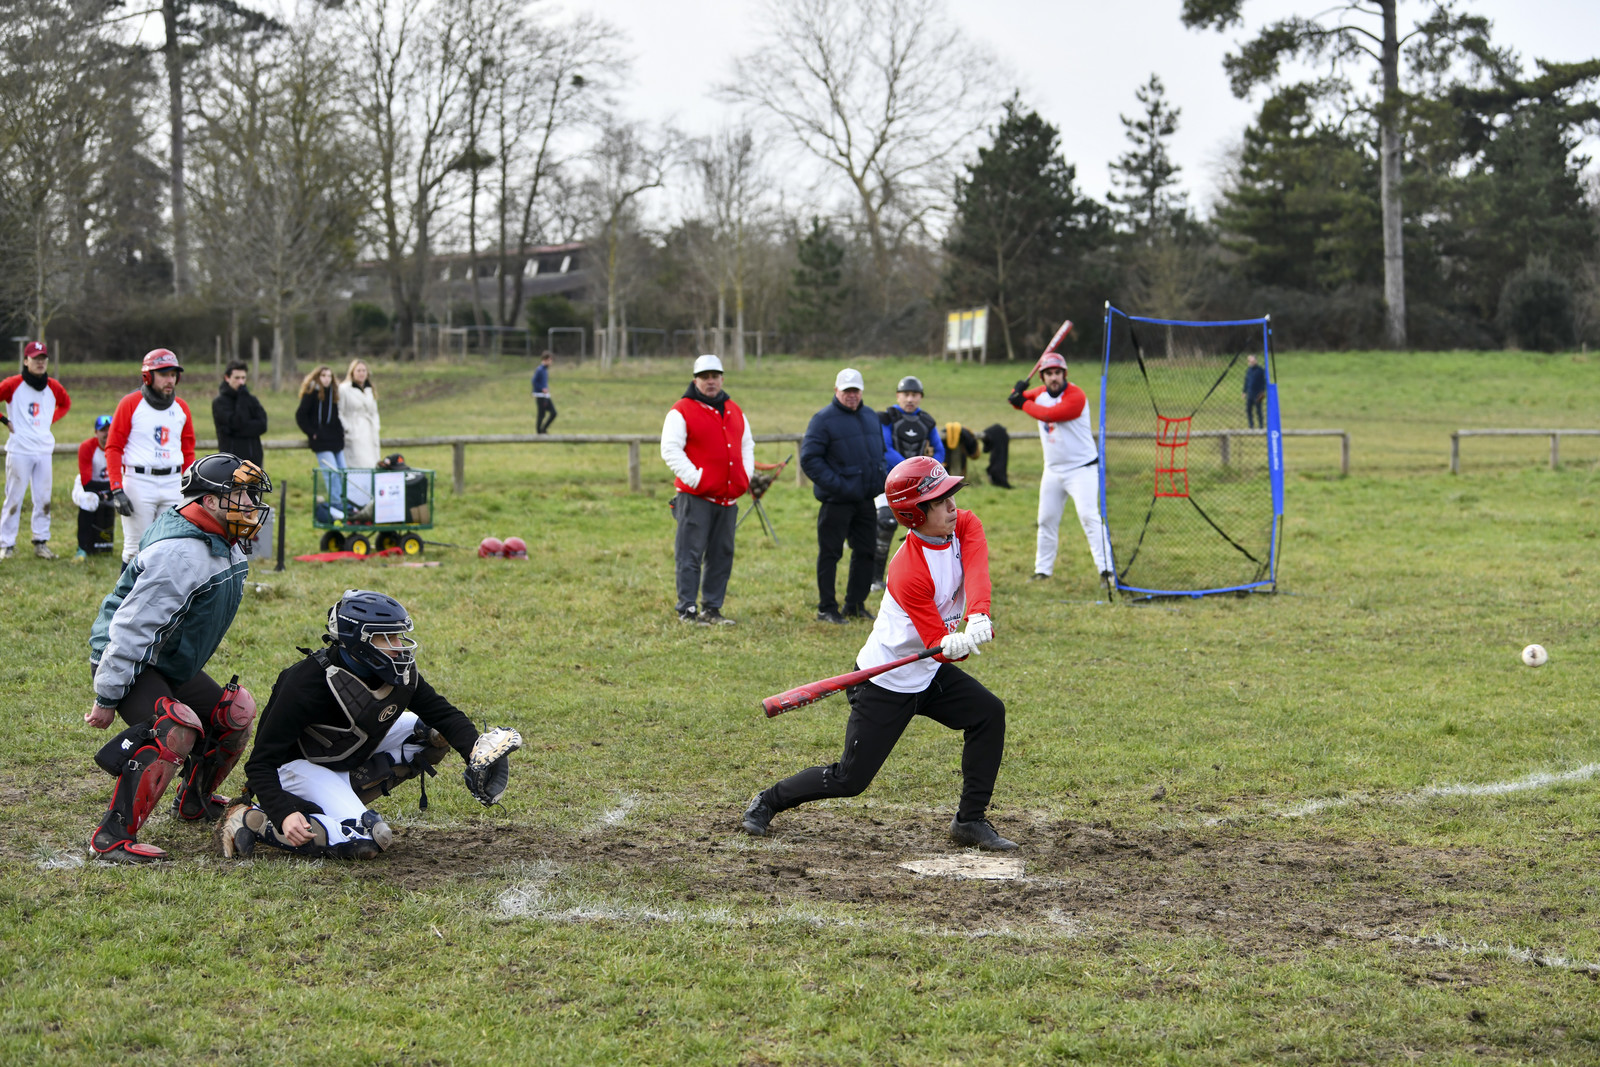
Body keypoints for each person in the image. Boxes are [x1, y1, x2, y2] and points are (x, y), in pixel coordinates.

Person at [741, 456, 1014, 851]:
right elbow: (939, 647)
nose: (952, 505)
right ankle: (769, 800)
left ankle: (969, 820)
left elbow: (976, 568)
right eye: (939, 500)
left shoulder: (965, 524)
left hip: (927, 673)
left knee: (989, 713)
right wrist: (953, 646)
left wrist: (979, 614)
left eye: (950, 495)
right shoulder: (908, 570)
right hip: (884, 682)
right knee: (848, 780)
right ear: (914, 514)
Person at [219, 590, 521, 861]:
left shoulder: (399, 673)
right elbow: (260, 764)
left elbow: (444, 715)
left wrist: (474, 752)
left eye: (399, 636)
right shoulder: (305, 684)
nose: (399, 647)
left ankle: (344, 795)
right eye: (386, 638)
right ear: (358, 642)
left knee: (429, 735)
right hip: (295, 769)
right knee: (369, 838)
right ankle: (253, 820)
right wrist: (283, 812)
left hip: (342, 757)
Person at [83, 453, 272, 863]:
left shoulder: (222, 537)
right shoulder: (179, 553)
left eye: (250, 494)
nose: (249, 504)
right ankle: (112, 837)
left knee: (235, 711)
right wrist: (107, 697)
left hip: (165, 661)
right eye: (238, 495)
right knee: (177, 728)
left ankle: (194, 800)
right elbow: (131, 631)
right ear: (208, 501)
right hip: (130, 661)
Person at [660, 354, 754, 625]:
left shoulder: (735, 410)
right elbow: (670, 449)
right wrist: (696, 479)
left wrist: (744, 477)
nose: (710, 381)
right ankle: (686, 608)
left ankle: (712, 608)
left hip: (727, 498)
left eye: (715, 376)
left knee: (721, 554)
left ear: (722, 378)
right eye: (705, 377)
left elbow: (746, 445)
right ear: (695, 380)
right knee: (690, 553)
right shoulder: (682, 410)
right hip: (695, 497)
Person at [1009, 352, 1111, 589]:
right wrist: (1018, 392)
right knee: (1046, 520)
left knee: (1089, 517)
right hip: (1053, 471)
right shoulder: (1040, 394)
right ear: (1042, 377)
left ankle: (1106, 569)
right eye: (1049, 374)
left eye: (1058, 373)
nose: (1054, 378)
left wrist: (1021, 400)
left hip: (1082, 469)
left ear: (1065, 374)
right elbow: (1016, 401)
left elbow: (1048, 414)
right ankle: (1042, 571)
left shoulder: (1076, 396)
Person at [801, 368, 887, 624]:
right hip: (836, 501)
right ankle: (826, 608)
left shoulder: (871, 417)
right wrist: (838, 485)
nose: (852, 395)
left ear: (861, 391)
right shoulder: (822, 420)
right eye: (847, 391)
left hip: (865, 500)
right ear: (836, 391)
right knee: (830, 553)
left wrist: (879, 479)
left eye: (856, 390)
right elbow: (810, 459)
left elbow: (879, 453)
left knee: (866, 551)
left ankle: (855, 604)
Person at [106, 349, 197, 565]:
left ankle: (164, 599)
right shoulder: (130, 403)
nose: (170, 380)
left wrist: (191, 487)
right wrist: (116, 488)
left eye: (173, 374)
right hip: (139, 482)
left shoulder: (181, 407)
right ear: (148, 376)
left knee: (170, 547)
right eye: (164, 374)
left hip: (173, 482)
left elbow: (188, 450)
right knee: (135, 550)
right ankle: (125, 599)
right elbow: (113, 447)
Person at [872, 375, 945, 591]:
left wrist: (931, 469)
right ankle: (875, 578)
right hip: (890, 483)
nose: (910, 399)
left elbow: (939, 450)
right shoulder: (888, 418)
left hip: (919, 487)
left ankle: (922, 580)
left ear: (921, 397)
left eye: (914, 395)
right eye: (905, 394)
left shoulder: (927, 421)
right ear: (898, 395)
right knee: (886, 524)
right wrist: (910, 469)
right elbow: (885, 448)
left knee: (928, 529)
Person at [0, 341, 71, 560]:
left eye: (43, 359)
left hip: (43, 450)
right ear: (25, 360)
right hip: (20, 449)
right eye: (35, 358)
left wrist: (49, 421)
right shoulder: (13, 384)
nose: (40, 363)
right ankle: (6, 543)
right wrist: (4, 420)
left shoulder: (53, 386)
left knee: (43, 497)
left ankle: (41, 541)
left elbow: (65, 403)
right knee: (14, 497)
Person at [213, 360, 272, 560]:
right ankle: (230, 548)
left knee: (253, 504)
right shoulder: (220, 402)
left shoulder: (250, 399)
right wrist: (242, 407)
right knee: (233, 507)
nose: (241, 382)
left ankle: (250, 548)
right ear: (227, 378)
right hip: (232, 465)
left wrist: (244, 425)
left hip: (254, 462)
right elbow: (236, 423)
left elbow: (262, 424)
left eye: (244, 378)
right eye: (237, 378)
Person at [295, 365, 346, 520]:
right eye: (323, 375)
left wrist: (340, 433)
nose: (326, 379)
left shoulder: (334, 393)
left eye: (329, 376)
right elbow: (301, 415)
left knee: (343, 471)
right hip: (321, 442)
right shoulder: (311, 393)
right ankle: (336, 504)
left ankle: (345, 504)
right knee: (331, 473)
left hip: (335, 440)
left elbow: (336, 417)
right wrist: (313, 433)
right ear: (317, 377)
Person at [71, 415, 117, 559]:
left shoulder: (121, 448)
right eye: (102, 430)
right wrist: (105, 492)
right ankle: (82, 548)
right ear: (96, 432)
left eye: (110, 429)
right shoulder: (87, 447)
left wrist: (110, 492)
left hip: (112, 486)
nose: (107, 433)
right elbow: (87, 482)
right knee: (89, 499)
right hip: (87, 486)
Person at [339, 359, 381, 468]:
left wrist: (376, 426)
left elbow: (374, 411)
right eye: (358, 371)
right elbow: (339, 412)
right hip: (354, 431)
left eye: (363, 370)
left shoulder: (370, 389)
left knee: (371, 463)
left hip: (369, 431)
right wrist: (347, 429)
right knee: (358, 465)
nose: (361, 373)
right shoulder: (344, 389)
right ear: (352, 372)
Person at [532, 351, 557, 434]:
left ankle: (542, 429)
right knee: (541, 414)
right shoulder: (540, 369)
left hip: (545, 396)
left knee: (553, 413)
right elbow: (534, 381)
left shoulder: (545, 370)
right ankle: (539, 431)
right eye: (550, 360)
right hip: (540, 396)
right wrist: (542, 388)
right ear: (545, 360)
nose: (551, 362)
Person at [1244, 354, 1268, 429]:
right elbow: (1246, 381)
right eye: (1249, 361)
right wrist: (1244, 391)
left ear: (1255, 361)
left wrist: (1262, 391)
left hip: (1257, 393)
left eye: (1252, 361)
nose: (1251, 362)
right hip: (1250, 394)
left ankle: (1261, 426)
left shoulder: (1260, 370)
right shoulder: (1248, 371)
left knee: (1258, 411)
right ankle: (1251, 426)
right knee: (1248, 410)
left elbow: (1263, 382)